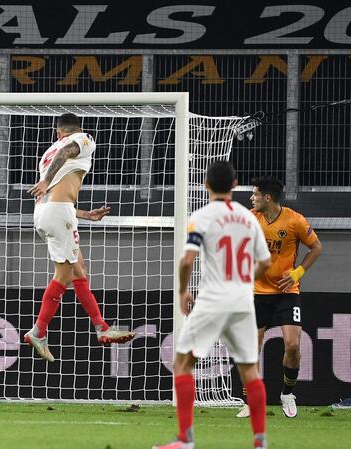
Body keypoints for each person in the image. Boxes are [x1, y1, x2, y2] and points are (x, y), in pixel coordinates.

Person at [154, 161, 272, 449]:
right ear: (234, 185)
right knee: (250, 370)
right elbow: (266, 262)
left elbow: (186, 259)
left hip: (213, 299)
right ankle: (260, 442)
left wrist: (182, 291)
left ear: (206, 185)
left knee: (182, 363)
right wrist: (245, 280)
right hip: (243, 301)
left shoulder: (202, 216)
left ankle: (185, 439)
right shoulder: (248, 218)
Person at [24, 113, 134, 362]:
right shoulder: (82, 139)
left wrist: (86, 215)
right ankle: (38, 332)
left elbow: (58, 194)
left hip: (47, 213)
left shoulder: (48, 152)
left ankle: (102, 327)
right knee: (63, 276)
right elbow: (68, 153)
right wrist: (45, 180)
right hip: (58, 212)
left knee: (79, 271)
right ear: (69, 132)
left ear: (56, 133)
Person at [236, 177, 323, 419]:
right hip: (257, 291)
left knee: (293, 345)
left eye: (255, 194)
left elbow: (316, 248)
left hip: (287, 292)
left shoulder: (295, 220)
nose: (251, 198)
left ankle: (287, 394)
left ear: (267, 197)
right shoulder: (251, 218)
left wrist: (298, 272)